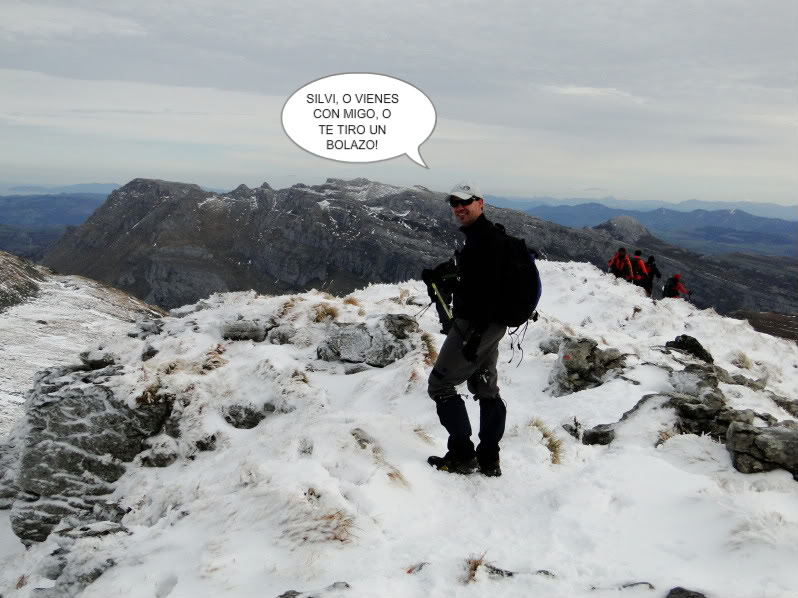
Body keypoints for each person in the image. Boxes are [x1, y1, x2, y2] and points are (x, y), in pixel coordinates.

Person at [421, 181, 508, 477]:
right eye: (454, 203)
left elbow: (489, 291)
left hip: (477, 325)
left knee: (440, 385)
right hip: (490, 325)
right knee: (485, 387)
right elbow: (476, 282)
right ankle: (489, 459)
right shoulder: (484, 237)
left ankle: (462, 455)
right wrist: (443, 278)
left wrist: (473, 336)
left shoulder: (486, 240)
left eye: (465, 202)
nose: (459, 208)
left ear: (480, 203)